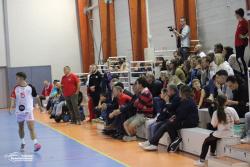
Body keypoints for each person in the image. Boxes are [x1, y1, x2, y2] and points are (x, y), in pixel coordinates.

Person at [141, 85, 199, 152]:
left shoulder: (188, 101)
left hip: (190, 122)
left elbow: (182, 114)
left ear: (183, 93)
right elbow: (180, 112)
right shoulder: (185, 100)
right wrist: (174, 116)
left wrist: (174, 117)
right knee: (167, 124)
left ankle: (155, 142)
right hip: (185, 120)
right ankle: (154, 142)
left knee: (168, 124)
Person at [194, 94, 240, 167]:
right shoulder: (232, 109)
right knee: (212, 136)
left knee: (206, 141)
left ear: (217, 102)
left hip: (221, 133)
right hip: (231, 132)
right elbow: (237, 121)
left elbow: (214, 125)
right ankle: (212, 154)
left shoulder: (216, 112)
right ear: (226, 101)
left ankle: (202, 160)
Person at [9, 72, 42, 152]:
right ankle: (23, 142)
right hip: (19, 112)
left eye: (17, 78)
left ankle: (36, 144)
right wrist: (11, 106)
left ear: (22, 78)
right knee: (21, 128)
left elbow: (37, 97)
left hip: (28, 111)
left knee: (31, 127)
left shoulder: (30, 87)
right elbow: (13, 98)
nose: (16, 79)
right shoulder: (16, 88)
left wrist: (40, 107)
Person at [123, 77, 154, 142]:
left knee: (130, 126)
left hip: (144, 115)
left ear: (140, 85)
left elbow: (139, 105)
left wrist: (139, 105)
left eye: (136, 84)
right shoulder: (141, 93)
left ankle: (133, 137)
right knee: (125, 124)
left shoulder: (145, 92)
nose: (136, 85)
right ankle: (132, 137)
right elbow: (136, 104)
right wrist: (139, 105)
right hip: (139, 114)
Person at [234, 8, 248, 75]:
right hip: (237, 43)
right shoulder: (239, 21)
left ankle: (245, 73)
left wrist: (244, 36)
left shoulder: (244, 22)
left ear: (239, 14)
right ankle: (243, 71)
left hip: (241, 43)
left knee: (240, 58)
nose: (235, 15)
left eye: (236, 14)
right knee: (238, 58)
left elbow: (248, 31)